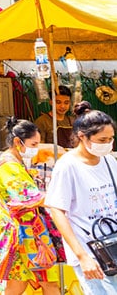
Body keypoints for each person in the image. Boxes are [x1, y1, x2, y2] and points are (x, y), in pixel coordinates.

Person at [45, 101, 117, 294]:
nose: (108, 144)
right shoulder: (67, 166)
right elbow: (57, 210)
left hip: (113, 244)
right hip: (90, 251)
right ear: (82, 137)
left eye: (111, 139)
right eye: (102, 140)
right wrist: (81, 255)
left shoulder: (109, 161)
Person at [0, 117, 60, 295]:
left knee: (19, 283)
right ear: (19, 142)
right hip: (21, 234)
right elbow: (28, 196)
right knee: (45, 281)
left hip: (24, 232)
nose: (36, 149)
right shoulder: (10, 165)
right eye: (34, 144)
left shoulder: (13, 161)